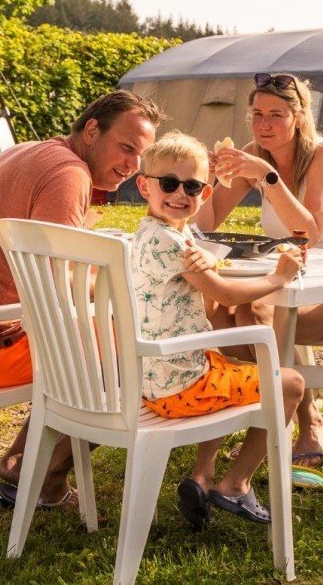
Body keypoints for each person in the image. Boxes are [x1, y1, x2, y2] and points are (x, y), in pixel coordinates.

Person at [0, 90, 163, 507]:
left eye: (140, 156)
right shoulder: (68, 173)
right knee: (134, 350)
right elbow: (59, 284)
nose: (132, 166)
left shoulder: (32, 152)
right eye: (126, 148)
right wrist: (134, 284)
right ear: (91, 130)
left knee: (100, 337)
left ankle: (23, 461)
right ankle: (41, 478)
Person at [196, 72, 323, 468]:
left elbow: (307, 232)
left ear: (299, 115)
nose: (264, 125)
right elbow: (206, 224)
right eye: (257, 114)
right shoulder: (253, 152)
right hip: (290, 283)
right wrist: (206, 180)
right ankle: (290, 413)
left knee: (255, 316)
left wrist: (266, 176)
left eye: (276, 115)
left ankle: (300, 420)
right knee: (228, 317)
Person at [130, 132, 306, 529]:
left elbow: (205, 300)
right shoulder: (174, 244)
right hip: (178, 388)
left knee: (223, 363)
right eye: (169, 183)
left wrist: (205, 264)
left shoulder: (150, 234)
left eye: (192, 186)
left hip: (153, 377)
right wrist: (279, 277)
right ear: (144, 185)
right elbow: (224, 291)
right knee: (290, 383)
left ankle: (202, 475)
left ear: (205, 194)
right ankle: (235, 484)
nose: (180, 194)